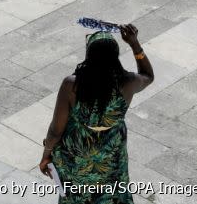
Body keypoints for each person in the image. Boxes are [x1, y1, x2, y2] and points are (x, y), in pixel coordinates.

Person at [40, 25, 153, 197]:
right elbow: (148, 75)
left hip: (77, 154)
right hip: (112, 152)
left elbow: (56, 130)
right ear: (115, 57)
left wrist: (46, 154)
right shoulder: (128, 83)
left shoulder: (72, 85)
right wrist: (134, 44)